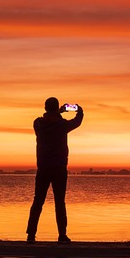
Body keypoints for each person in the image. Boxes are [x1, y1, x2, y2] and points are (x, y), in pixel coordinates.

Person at [25, 96, 84, 243]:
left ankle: (31, 235)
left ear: (45, 108)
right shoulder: (62, 124)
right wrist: (79, 111)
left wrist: (58, 112)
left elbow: (50, 119)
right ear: (56, 108)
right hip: (59, 168)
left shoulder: (38, 123)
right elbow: (77, 121)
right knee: (59, 203)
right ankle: (62, 235)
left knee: (38, 201)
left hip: (43, 168)